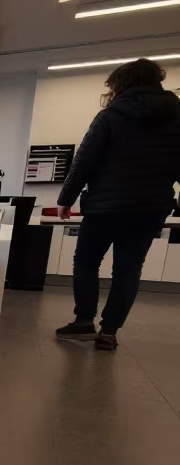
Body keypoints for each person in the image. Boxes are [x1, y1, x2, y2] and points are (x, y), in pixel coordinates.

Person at [55, 58, 180, 350]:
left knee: (86, 262)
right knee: (129, 270)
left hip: (104, 207)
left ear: (121, 84)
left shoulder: (110, 116)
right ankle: (109, 333)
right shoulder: (178, 118)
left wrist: (66, 200)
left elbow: (83, 162)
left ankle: (84, 321)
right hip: (150, 208)